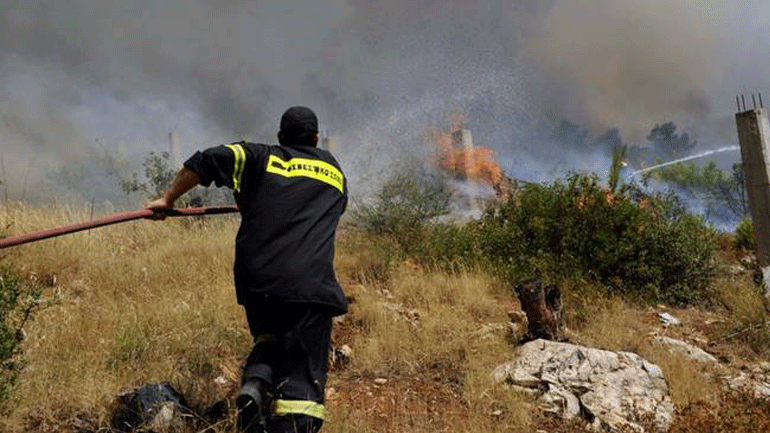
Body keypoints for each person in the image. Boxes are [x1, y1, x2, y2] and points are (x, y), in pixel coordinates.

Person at [145, 106, 348, 433]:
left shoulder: (259, 156)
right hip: (310, 285)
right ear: (315, 139)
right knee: (301, 388)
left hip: (259, 280)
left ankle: (255, 384)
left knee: (269, 337)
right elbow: (326, 210)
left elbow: (205, 159)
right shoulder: (333, 171)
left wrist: (168, 200)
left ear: (281, 138)